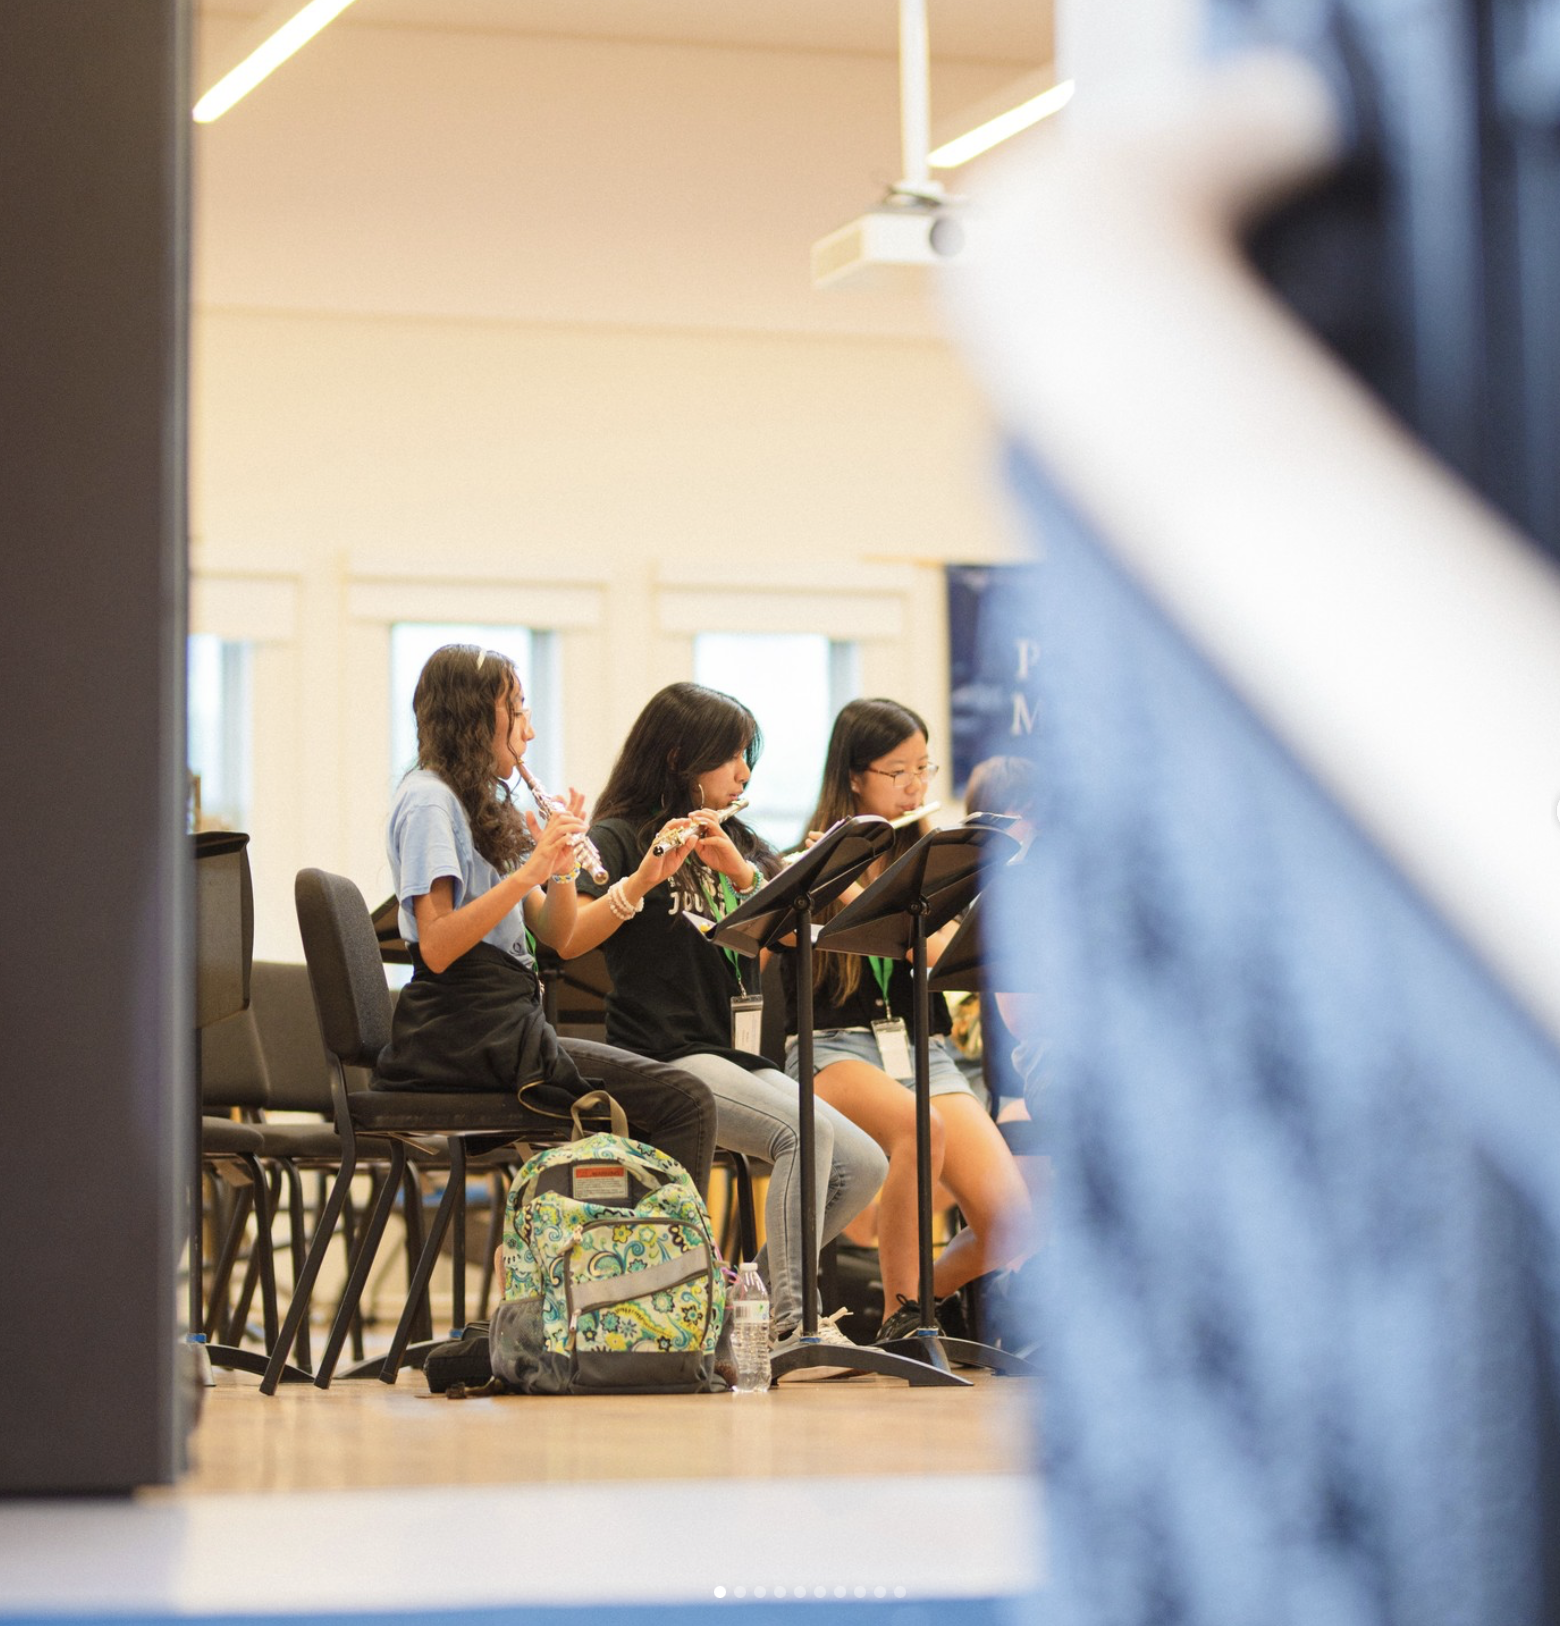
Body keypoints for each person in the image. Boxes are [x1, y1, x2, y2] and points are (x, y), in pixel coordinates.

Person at [556, 681, 888, 1369]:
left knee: (865, 1163)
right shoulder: (620, 836)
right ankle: (795, 1325)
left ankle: (748, 1301)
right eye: (732, 757)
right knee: (806, 1130)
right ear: (681, 758)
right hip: (664, 1053)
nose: (744, 774)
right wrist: (645, 878)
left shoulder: (735, 838)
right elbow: (569, 938)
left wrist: (738, 871)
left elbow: (787, 943)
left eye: (747, 757)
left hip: (733, 1054)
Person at [375, 645, 716, 1197]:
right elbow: (437, 946)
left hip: (503, 1022)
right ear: (474, 715)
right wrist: (526, 871)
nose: (528, 731)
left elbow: (563, 936)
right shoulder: (429, 802)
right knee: (687, 1103)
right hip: (463, 1027)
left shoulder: (480, 803)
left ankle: (633, 1265)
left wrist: (609, 875)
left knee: (678, 1103)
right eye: (517, 709)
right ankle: (663, 1270)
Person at [784, 698, 1032, 1343]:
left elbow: (945, 956)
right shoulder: (802, 862)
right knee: (918, 1129)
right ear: (855, 775)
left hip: (922, 1048)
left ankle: (908, 1314)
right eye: (901, 771)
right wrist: (830, 888)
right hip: (831, 1050)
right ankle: (908, 1318)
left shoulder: (931, 860)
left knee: (1012, 1221)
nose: (918, 786)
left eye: (925, 767)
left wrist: (874, 899)